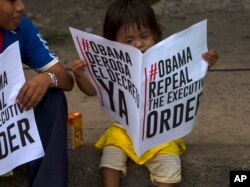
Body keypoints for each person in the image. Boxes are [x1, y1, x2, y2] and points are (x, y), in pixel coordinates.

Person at [71, 0, 219, 186]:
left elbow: (189, 73)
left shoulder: (167, 56)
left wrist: (205, 61)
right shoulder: (112, 64)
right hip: (124, 131)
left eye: (144, 36)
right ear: (112, 42)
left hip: (161, 133)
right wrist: (80, 75)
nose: (139, 44)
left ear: (155, 34)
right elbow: (92, 90)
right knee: (109, 161)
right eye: (129, 41)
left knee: (170, 168)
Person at [0, 0, 74, 186]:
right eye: (11, 0)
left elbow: (66, 79)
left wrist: (48, 78)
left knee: (52, 96)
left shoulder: (20, 27)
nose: (20, 6)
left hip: (7, 129)